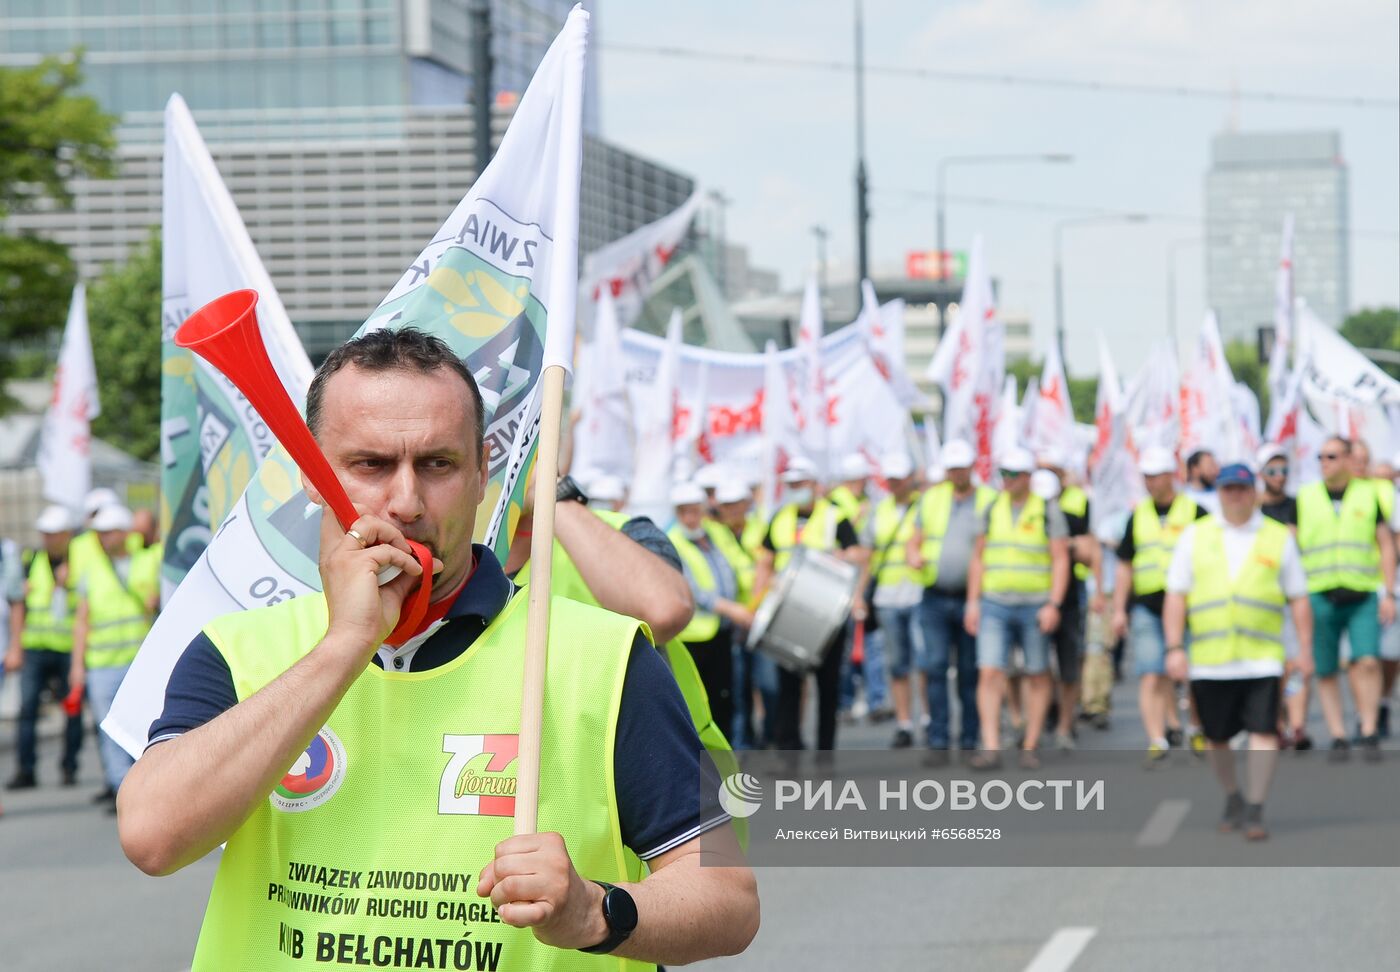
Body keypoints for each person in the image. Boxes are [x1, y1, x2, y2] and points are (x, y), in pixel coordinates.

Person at [118, 328, 758, 968]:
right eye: (370, 465)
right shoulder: (237, 651)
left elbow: (728, 900)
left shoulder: (604, 657)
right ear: (309, 475)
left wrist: (595, 911)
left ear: (483, 472)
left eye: (437, 464)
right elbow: (153, 837)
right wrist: (345, 645)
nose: (406, 502)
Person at [1163, 463, 1315, 841]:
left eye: (1242, 489)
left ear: (1254, 492)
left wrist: (1305, 649)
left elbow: (1298, 599)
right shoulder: (1195, 536)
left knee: (1265, 730)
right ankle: (1233, 794)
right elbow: (1176, 596)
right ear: (1219, 493)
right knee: (1217, 737)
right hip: (1211, 661)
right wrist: (1174, 648)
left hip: (1261, 656)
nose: (1235, 496)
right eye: (1228, 489)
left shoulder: (1277, 537)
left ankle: (1256, 806)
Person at [965, 447, 1070, 770]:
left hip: (1034, 604)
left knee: (1037, 673)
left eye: (1012, 475)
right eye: (1003, 474)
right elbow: (979, 557)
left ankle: (1031, 744)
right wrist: (973, 601)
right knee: (990, 671)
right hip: (995, 602)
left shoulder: (1046, 510)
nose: (1006, 481)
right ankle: (992, 746)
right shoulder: (992, 508)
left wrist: (1054, 603)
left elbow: (1060, 558)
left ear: (1027, 477)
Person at [752, 458, 866, 751]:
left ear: (815, 485)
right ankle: (789, 748)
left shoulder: (833, 516)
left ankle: (824, 753)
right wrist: (760, 601)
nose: (795, 490)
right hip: (789, 614)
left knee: (828, 688)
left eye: (800, 484)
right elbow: (766, 560)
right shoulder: (780, 517)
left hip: (828, 613)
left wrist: (840, 562)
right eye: (791, 485)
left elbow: (857, 553)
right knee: (787, 688)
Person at [1295, 436, 1396, 761]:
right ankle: (1338, 734)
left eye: (1332, 456)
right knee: (1326, 670)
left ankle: (1367, 727)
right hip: (1319, 593)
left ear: (1348, 459)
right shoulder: (1306, 497)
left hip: (1361, 592)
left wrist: (1388, 591)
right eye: (1321, 456)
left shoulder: (1368, 494)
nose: (1325, 462)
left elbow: (1385, 544)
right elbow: (1291, 546)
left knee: (1366, 660)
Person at [1112, 446, 1209, 765]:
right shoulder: (1137, 515)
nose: (1151, 482)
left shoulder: (1195, 511)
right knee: (1151, 673)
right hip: (1148, 606)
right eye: (1147, 477)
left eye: (1156, 476)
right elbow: (1125, 564)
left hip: (1189, 606)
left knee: (1194, 672)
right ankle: (1157, 737)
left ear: (1172, 476)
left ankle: (1196, 726)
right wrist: (1118, 609)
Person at [909, 439, 993, 758]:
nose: (957, 474)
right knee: (935, 667)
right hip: (934, 597)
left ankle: (970, 736)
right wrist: (914, 555)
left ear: (972, 468)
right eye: (952, 469)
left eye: (962, 468)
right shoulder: (931, 499)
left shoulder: (988, 500)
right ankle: (939, 738)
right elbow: (913, 541)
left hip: (972, 598)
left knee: (970, 671)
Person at [73, 504, 159, 810]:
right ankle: (123, 792)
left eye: (108, 532)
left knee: (143, 726)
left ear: (124, 533)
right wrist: (77, 667)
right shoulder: (91, 571)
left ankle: (146, 787)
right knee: (109, 729)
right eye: (98, 534)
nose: (102, 539)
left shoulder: (149, 560)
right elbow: (82, 620)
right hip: (101, 665)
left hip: (139, 662)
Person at [667, 482, 755, 744]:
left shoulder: (716, 533)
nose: (690, 518)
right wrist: (733, 609)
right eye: (684, 512)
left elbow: (738, 564)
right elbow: (693, 590)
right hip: (694, 637)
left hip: (723, 631)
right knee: (698, 705)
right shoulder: (674, 541)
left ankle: (726, 760)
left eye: (694, 511)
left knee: (725, 701)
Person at [5, 505, 85, 790]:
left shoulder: (80, 562)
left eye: (54, 534)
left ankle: (69, 766)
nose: (49, 539)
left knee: (72, 709)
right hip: (35, 647)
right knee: (27, 709)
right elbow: (18, 603)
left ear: (67, 534)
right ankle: (26, 769)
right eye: (45, 534)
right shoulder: (31, 560)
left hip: (67, 648)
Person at [861, 453, 923, 749]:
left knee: (924, 661)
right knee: (898, 663)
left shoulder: (922, 507)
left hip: (919, 592)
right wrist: (861, 596)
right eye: (892, 481)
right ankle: (904, 722)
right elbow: (868, 556)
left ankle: (927, 717)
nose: (896, 485)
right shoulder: (880, 511)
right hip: (887, 596)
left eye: (900, 480)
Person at [1036, 461, 1099, 751]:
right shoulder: (1024, 517)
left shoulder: (1072, 514)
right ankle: (1040, 718)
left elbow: (1089, 552)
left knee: (1069, 666)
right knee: (1035, 668)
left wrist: (1067, 547)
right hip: (1033, 601)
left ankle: (1064, 724)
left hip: (1069, 601)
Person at [1256, 443, 1311, 749]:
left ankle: (1298, 725)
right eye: (1273, 471)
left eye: (1284, 470)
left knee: (1297, 660)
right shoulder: (1254, 509)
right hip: (1264, 594)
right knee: (1272, 664)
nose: (1279, 476)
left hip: (1294, 592)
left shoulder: (1298, 505)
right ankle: (1276, 722)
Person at [709, 479, 769, 749]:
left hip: (763, 615)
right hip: (733, 620)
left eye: (737, 504)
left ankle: (770, 736)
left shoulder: (761, 527)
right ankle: (744, 742)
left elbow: (768, 565)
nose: (732, 510)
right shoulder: (713, 533)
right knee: (738, 686)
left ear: (747, 503)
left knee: (768, 684)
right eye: (726, 505)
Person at [1185, 449, 1220, 515]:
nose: (1215, 471)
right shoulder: (1183, 497)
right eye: (1210, 466)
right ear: (1195, 469)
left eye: (1215, 466)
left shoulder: (1223, 494)